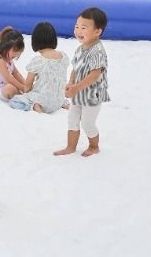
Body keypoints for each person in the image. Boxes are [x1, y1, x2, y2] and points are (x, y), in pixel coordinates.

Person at [55, 8, 110, 157]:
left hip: (92, 94)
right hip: (78, 92)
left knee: (87, 123)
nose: (78, 30)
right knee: (72, 119)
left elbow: (95, 74)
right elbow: (75, 67)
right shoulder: (80, 48)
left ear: (97, 31)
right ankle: (70, 147)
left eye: (84, 28)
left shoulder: (97, 51)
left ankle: (94, 146)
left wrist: (76, 88)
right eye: (77, 26)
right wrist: (71, 81)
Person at [9, 22, 70, 113]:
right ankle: (64, 104)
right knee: (53, 92)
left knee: (14, 101)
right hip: (59, 100)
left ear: (35, 41)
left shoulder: (38, 60)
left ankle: (34, 106)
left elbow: (28, 85)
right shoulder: (64, 57)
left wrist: (26, 94)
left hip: (43, 102)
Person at [0, 27, 27, 103]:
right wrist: (22, 87)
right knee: (11, 88)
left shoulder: (9, 60)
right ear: (5, 47)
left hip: (9, 85)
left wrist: (25, 84)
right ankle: (24, 97)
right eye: (15, 51)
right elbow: (9, 78)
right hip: (0, 91)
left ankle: (24, 94)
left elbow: (16, 73)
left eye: (18, 52)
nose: (16, 54)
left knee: (25, 85)